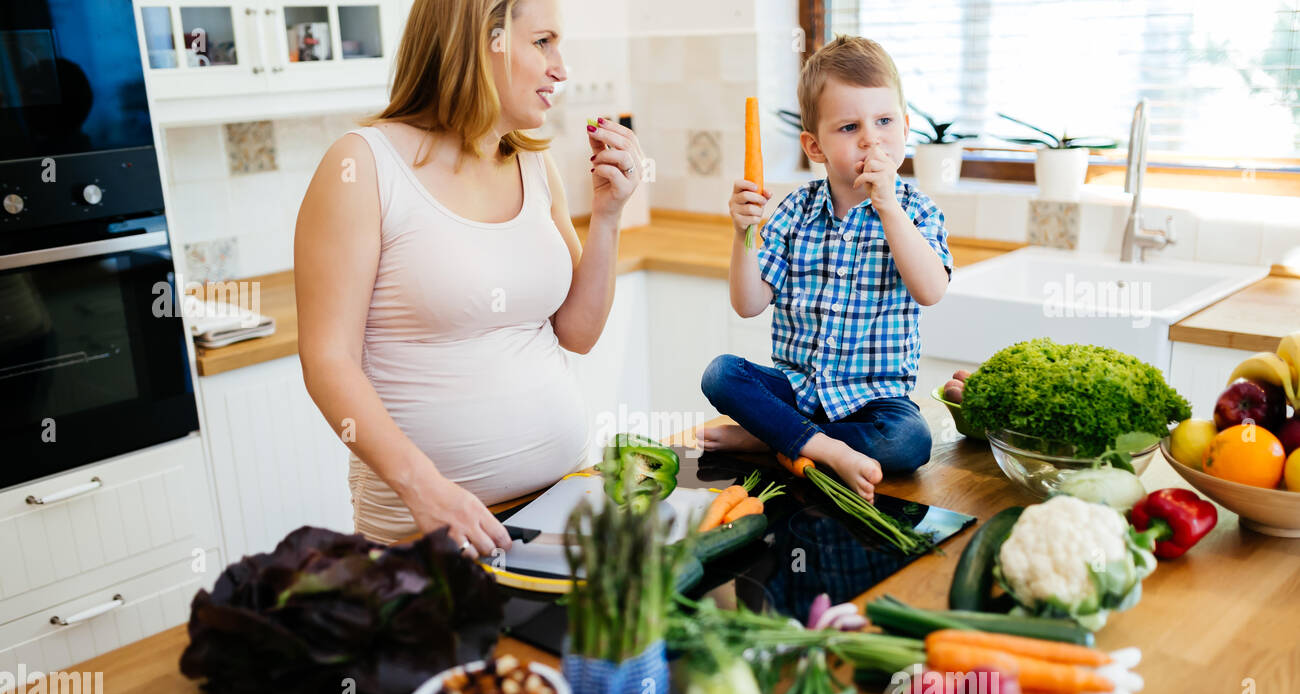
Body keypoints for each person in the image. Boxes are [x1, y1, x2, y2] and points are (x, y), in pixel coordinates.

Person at [295, 0, 644, 556]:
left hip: (562, 503)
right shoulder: (362, 167)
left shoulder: (534, 161)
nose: (562, 67)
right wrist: (425, 489)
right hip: (426, 530)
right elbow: (327, 361)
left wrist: (607, 216)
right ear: (487, 41)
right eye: (543, 42)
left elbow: (577, 333)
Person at [699, 34, 953, 503]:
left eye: (883, 121)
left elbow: (931, 290)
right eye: (849, 127)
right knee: (721, 373)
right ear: (814, 147)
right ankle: (815, 443)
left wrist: (889, 209)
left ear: (906, 127)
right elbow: (748, 304)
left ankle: (776, 436)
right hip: (796, 387)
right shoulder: (794, 211)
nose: (871, 138)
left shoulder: (917, 212)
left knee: (910, 441)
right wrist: (742, 234)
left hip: (873, 401)